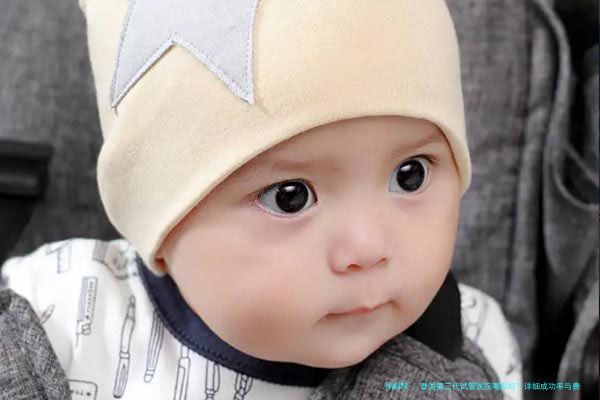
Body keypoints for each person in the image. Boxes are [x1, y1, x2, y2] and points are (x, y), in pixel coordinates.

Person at [0, 0, 522, 399]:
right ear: (160, 225)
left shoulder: (474, 342)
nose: (367, 247)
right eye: (290, 198)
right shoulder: (58, 318)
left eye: (410, 175)